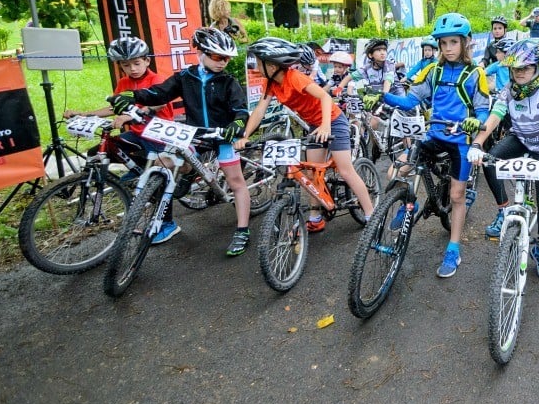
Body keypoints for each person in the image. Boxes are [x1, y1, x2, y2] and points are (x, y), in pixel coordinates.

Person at [362, 13, 490, 278]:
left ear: (465, 42)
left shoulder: (475, 73)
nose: (448, 48)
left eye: (453, 42)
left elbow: (483, 110)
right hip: (433, 134)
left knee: (456, 196)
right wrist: (382, 96)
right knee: (396, 171)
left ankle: (453, 249)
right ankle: (411, 202)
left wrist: (474, 122)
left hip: (461, 143)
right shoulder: (434, 70)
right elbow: (410, 101)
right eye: (443, 43)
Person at [110, 28, 254, 256]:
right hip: (195, 134)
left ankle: (242, 230)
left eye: (227, 58)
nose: (223, 62)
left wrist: (236, 125)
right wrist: (133, 96)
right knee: (163, 163)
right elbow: (159, 93)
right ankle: (162, 208)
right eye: (217, 57)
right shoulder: (185, 77)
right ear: (201, 53)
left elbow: (239, 109)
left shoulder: (228, 81)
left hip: (222, 135)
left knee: (235, 181)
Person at [467, 38, 539, 283]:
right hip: (520, 139)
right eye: (515, 68)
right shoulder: (508, 90)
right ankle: (502, 210)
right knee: (490, 159)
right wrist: (477, 143)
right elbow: (495, 118)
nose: (519, 73)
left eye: (526, 68)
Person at [235, 38, 375, 231]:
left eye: (258, 62)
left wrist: (326, 125)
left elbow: (325, 97)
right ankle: (315, 217)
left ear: (271, 65)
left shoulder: (295, 78)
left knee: (345, 171)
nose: (256, 66)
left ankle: (371, 215)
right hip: (315, 125)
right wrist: (246, 135)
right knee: (311, 172)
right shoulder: (271, 83)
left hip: (333, 121)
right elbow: (260, 109)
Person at [64, 37, 180, 243]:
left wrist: (130, 115)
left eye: (136, 63)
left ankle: (167, 223)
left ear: (147, 61)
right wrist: (84, 114)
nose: (132, 68)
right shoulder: (124, 83)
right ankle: (128, 183)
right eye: (126, 65)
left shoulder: (156, 80)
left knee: (158, 174)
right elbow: (113, 107)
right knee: (98, 152)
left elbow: (157, 104)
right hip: (137, 134)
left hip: (159, 134)